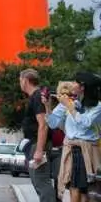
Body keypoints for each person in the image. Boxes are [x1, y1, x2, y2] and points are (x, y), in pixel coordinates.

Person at [44, 74, 101, 202]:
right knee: (73, 187)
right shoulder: (68, 102)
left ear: (83, 87)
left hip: (87, 150)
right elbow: (52, 123)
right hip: (71, 149)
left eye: (76, 82)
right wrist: (48, 106)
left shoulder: (97, 107)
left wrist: (70, 107)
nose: (72, 85)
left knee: (86, 190)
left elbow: (86, 122)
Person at [20, 68, 56, 202]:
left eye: (20, 80)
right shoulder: (37, 96)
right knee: (37, 181)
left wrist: (39, 150)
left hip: (38, 144)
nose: (20, 83)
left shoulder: (37, 97)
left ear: (25, 80)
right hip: (34, 143)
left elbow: (43, 124)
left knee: (41, 181)